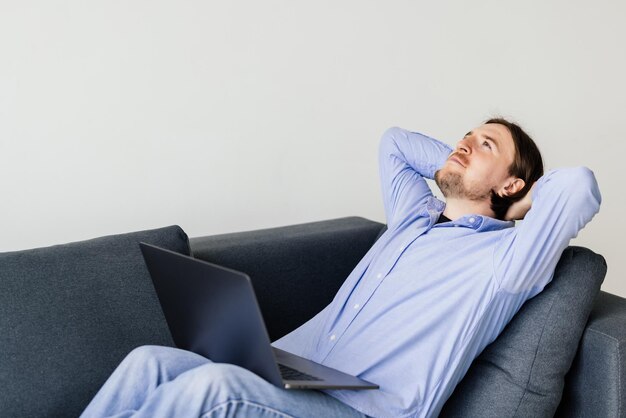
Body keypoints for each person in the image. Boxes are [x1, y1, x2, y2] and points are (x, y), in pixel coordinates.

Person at [81, 117, 601, 418]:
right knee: (149, 361)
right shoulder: (412, 217)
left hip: (363, 413)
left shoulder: (505, 261)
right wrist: (461, 161)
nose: (464, 142)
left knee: (210, 389)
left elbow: (577, 186)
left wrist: (517, 203)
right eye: (465, 134)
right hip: (296, 376)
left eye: (486, 144)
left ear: (512, 184)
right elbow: (394, 142)